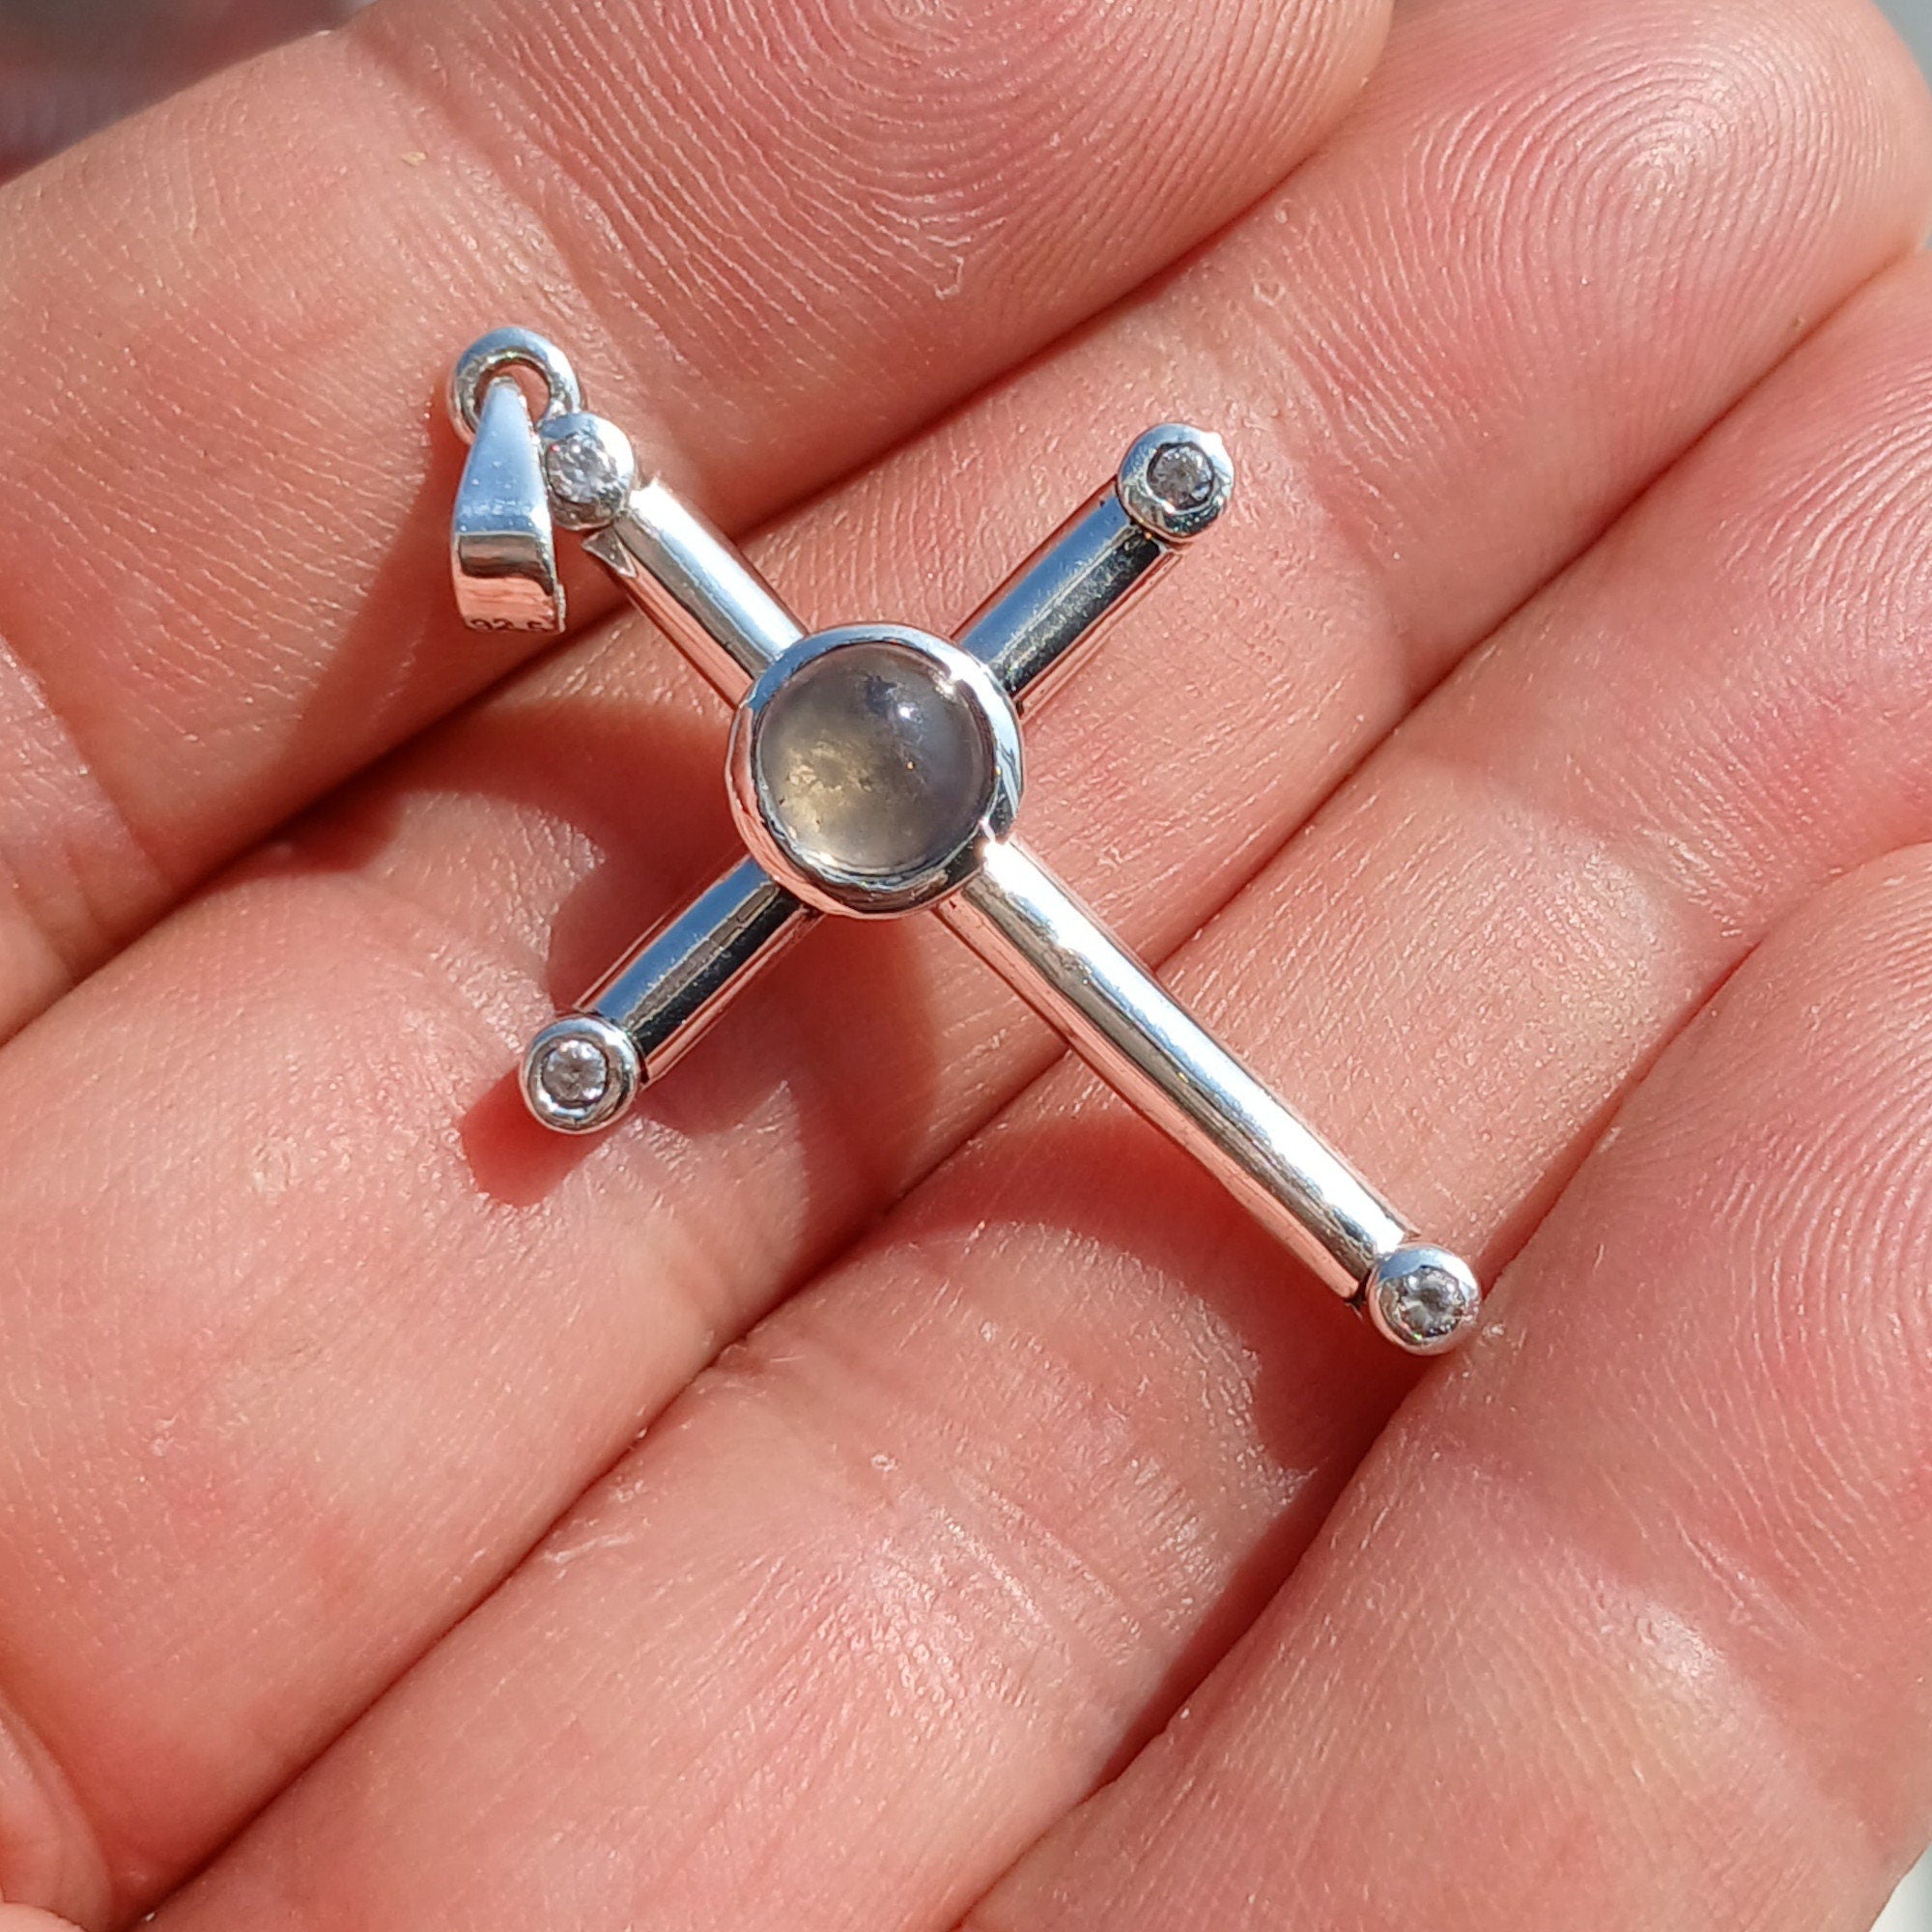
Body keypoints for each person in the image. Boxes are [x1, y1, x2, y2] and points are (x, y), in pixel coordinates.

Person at [0, 0, 1929, 1925]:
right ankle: (1370, 1250)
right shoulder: (817, 735)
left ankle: (1370, 1250)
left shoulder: (833, 711)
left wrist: (615, 560)